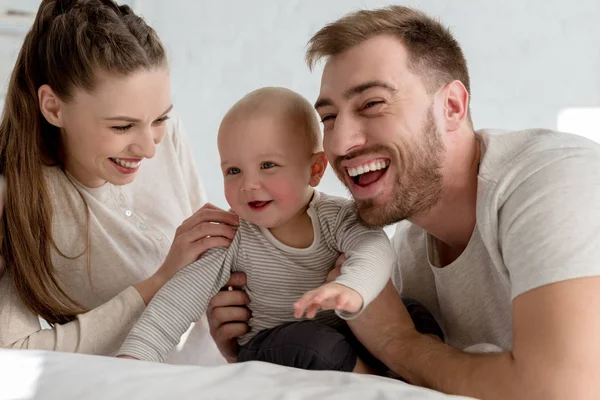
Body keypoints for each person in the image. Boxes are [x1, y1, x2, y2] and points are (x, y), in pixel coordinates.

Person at [207, 5, 600, 399]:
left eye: (372, 104)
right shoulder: (407, 254)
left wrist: (397, 339)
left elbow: (562, 390)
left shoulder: (555, 181)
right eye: (328, 118)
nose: (340, 143)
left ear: (452, 106)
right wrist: (256, 354)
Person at [117, 87, 442, 374]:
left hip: (346, 336)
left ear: (314, 170)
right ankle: (369, 382)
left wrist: (351, 288)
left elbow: (375, 249)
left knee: (416, 315)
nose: (249, 185)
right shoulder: (232, 235)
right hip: (274, 346)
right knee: (315, 345)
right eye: (233, 170)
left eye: (268, 165)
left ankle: (401, 378)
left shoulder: (337, 218)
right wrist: (136, 355)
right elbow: (179, 299)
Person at [0, 0, 237, 364]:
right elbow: (11, 353)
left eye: (159, 118)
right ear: (53, 108)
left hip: (223, 368)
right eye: (121, 126)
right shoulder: (20, 198)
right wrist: (156, 283)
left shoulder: (166, 136)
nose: (148, 148)